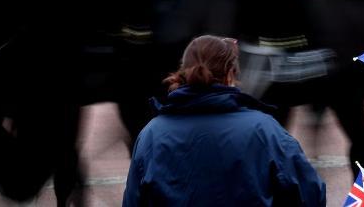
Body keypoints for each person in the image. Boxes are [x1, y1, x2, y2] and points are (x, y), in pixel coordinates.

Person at [122, 35, 326, 206]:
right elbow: (310, 193)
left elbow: (134, 200)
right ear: (230, 74)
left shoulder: (152, 133)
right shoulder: (263, 129)